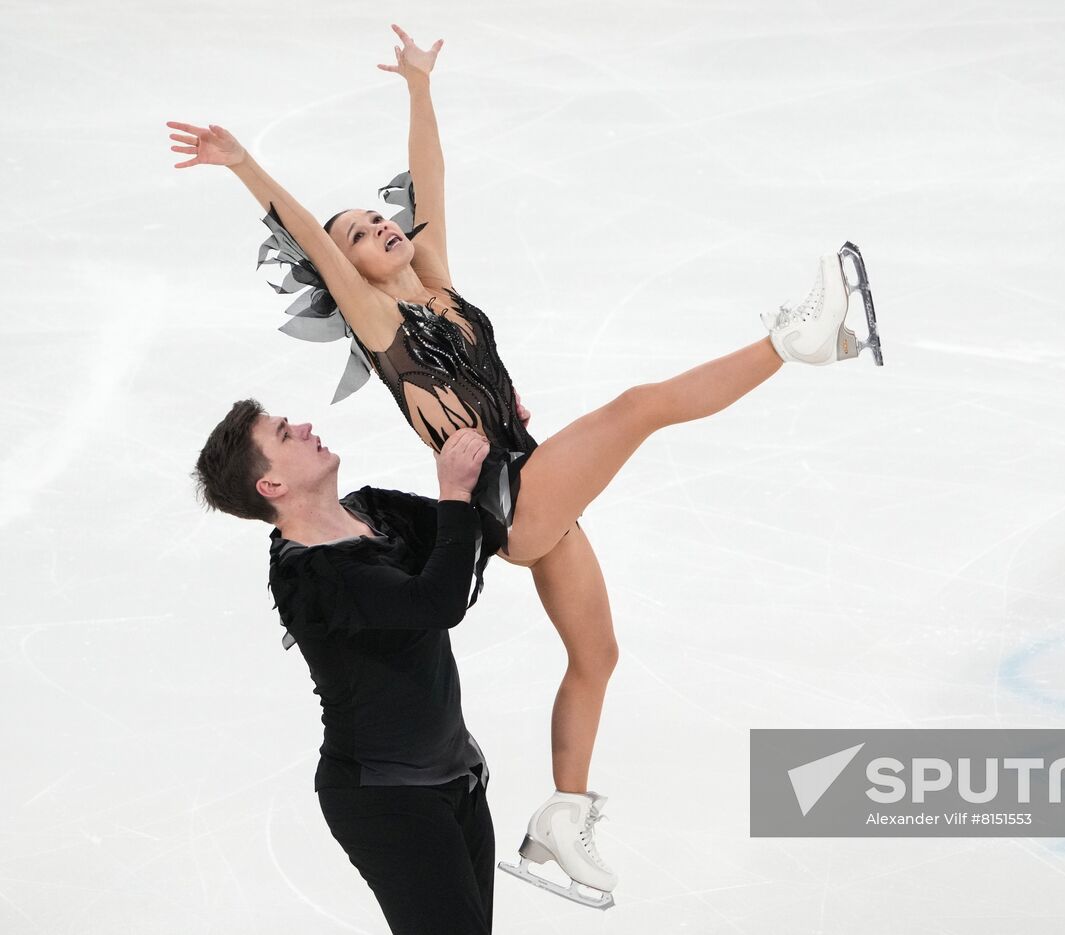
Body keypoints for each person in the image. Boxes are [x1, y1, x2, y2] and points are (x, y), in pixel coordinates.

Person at [168, 22, 882, 911]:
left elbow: (428, 179)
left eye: (378, 218)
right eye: (359, 233)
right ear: (346, 272)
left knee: (597, 653)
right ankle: (793, 340)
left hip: (531, 473)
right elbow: (310, 238)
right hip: (509, 498)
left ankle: (562, 818)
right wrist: (246, 166)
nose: (379, 226)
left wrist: (419, 89)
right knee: (638, 406)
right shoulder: (381, 325)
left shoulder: (436, 284)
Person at [192, 400, 500, 933]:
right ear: (271, 485)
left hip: (458, 776)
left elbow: (479, 531)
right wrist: (452, 490)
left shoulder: (373, 510)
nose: (304, 427)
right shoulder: (310, 576)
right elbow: (437, 601)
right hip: (386, 800)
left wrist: (493, 440)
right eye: (284, 434)